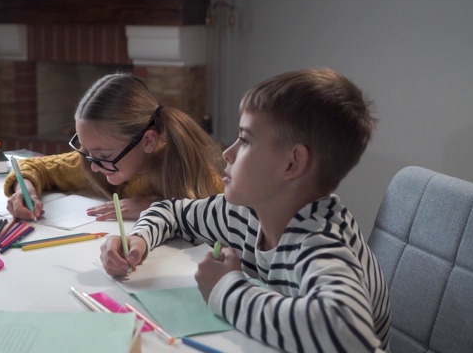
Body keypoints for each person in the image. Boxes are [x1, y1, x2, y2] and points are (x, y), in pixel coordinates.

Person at [100, 68, 391, 352]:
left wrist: (225, 288)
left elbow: (348, 332)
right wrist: (139, 240)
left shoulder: (319, 241)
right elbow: (172, 211)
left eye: (246, 139)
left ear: (293, 164)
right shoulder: (245, 212)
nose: (228, 152)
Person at [5, 72, 224, 221]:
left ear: (148, 141)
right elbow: (36, 167)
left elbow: (221, 217)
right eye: (86, 150)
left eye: (103, 155)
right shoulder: (98, 161)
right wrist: (26, 191)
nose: (93, 167)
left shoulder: (191, 173)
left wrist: (158, 208)